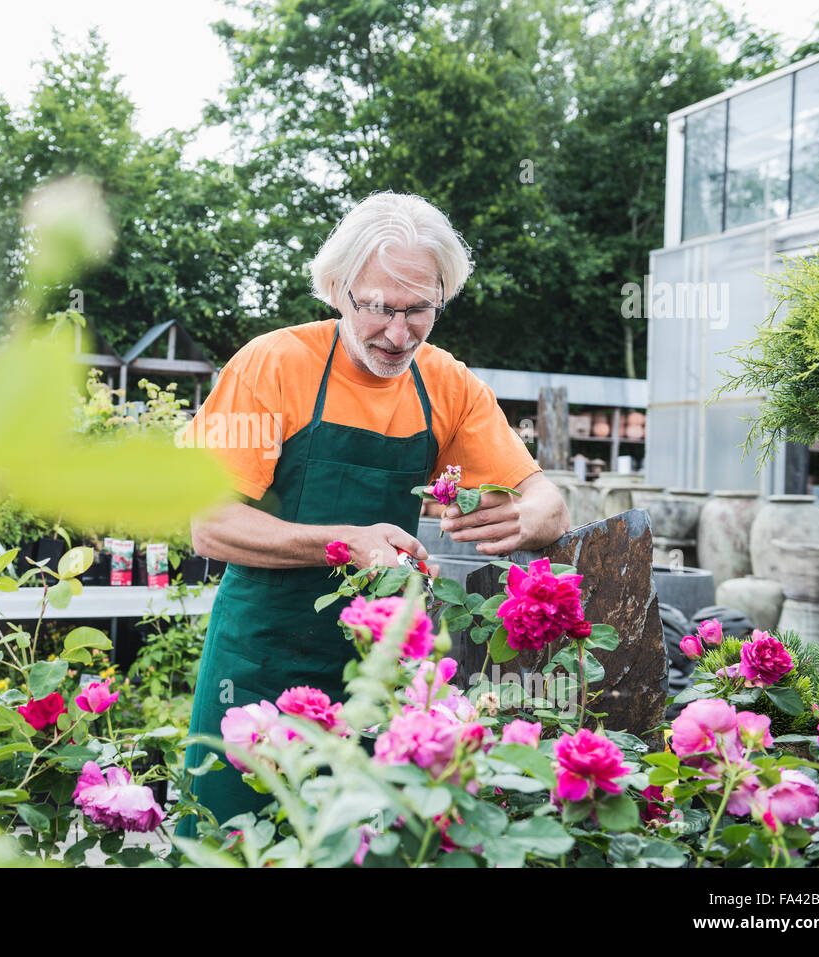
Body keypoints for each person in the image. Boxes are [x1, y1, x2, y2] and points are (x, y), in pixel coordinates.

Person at [175, 191, 569, 835]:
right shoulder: (272, 365)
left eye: (420, 310)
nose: (398, 333)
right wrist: (346, 541)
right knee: (237, 840)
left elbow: (545, 499)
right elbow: (210, 526)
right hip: (259, 662)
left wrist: (534, 516)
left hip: (380, 668)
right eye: (380, 307)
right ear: (336, 289)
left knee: (361, 841)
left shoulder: (448, 384)